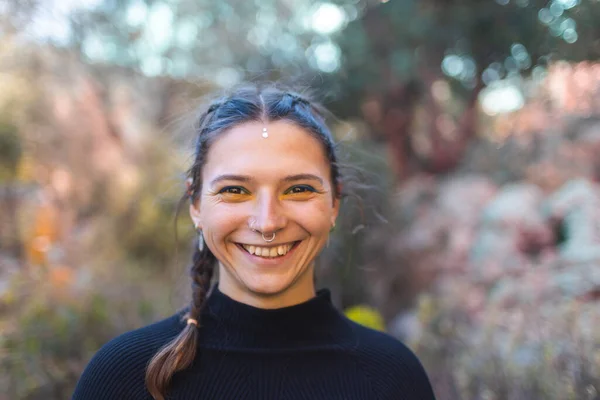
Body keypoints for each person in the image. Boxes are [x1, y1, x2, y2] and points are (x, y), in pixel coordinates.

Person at [72, 84, 436, 400]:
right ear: (196, 204)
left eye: (298, 189)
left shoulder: (392, 379)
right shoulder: (124, 377)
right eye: (235, 190)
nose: (267, 222)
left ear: (334, 203)